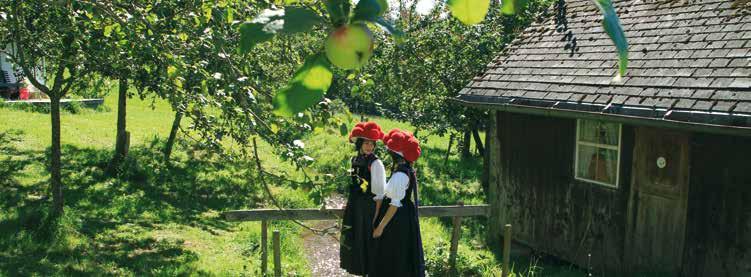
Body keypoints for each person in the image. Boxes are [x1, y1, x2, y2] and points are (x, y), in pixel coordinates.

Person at [371, 129, 425, 277]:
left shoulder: (400, 175)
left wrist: (380, 227)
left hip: (396, 219)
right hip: (403, 216)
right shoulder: (406, 170)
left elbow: (394, 204)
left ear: (396, 155)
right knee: (398, 254)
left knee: (394, 255)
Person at [340, 121, 387, 276]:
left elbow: (379, 195)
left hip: (369, 209)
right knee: (354, 240)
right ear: (359, 143)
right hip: (354, 206)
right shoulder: (354, 160)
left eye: (372, 143)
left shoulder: (376, 164)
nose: (369, 146)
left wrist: (376, 218)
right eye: (366, 143)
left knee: (366, 243)